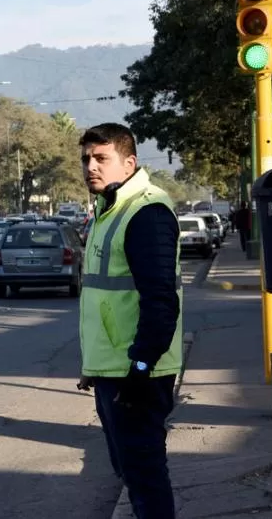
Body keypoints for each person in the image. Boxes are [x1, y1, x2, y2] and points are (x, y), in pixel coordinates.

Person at [75, 123, 182, 519]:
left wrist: (140, 367)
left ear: (129, 162)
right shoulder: (109, 210)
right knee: (133, 475)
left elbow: (160, 301)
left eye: (101, 158)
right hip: (114, 371)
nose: (91, 166)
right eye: (86, 158)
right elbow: (107, 299)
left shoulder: (146, 212)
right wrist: (95, 367)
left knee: (145, 479)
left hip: (137, 374)